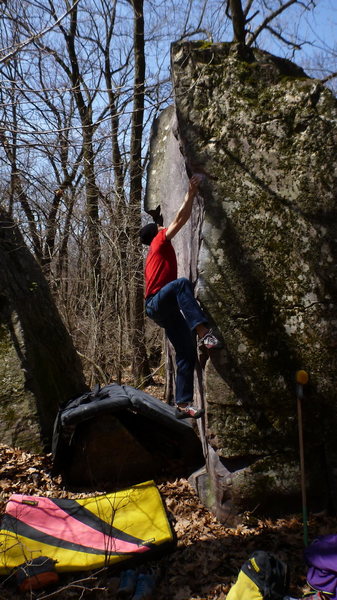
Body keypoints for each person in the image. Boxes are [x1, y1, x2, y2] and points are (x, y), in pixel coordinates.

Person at [139, 174, 222, 420]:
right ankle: (204, 332)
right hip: (157, 302)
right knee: (181, 284)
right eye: (161, 229)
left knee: (186, 352)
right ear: (157, 234)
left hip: (163, 310)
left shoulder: (156, 251)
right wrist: (191, 192)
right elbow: (181, 219)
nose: (165, 229)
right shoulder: (159, 244)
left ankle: (183, 404)